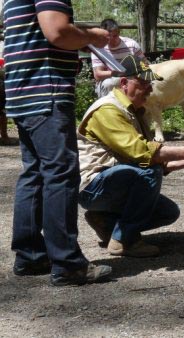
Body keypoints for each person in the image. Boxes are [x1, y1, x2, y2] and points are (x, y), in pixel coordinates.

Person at [4, 0, 112, 286]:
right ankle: (67, 263)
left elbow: (41, 36)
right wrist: (91, 36)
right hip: (46, 92)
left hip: (21, 92)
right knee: (60, 173)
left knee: (35, 173)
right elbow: (57, 32)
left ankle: (30, 256)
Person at [77, 55, 184, 257]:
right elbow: (142, 153)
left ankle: (104, 221)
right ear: (124, 83)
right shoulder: (108, 109)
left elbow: (156, 160)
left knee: (167, 212)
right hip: (92, 186)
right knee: (147, 171)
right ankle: (125, 239)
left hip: (112, 183)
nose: (150, 89)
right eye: (143, 83)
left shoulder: (135, 112)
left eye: (150, 83)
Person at [91, 18, 147, 98]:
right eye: (108, 36)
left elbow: (145, 64)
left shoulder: (131, 44)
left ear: (119, 32)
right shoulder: (98, 48)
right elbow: (98, 74)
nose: (111, 39)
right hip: (109, 80)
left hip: (131, 78)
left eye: (114, 36)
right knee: (109, 84)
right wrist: (118, 73)